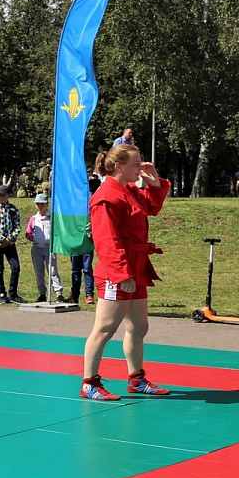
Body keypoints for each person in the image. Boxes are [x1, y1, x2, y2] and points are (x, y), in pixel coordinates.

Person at [79, 143, 171, 400]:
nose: (140, 167)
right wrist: (122, 274)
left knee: (139, 326)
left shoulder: (128, 190)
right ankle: (89, 383)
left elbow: (151, 208)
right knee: (105, 328)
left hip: (136, 266)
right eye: (135, 164)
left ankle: (136, 378)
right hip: (116, 271)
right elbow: (106, 240)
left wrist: (153, 183)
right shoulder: (106, 196)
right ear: (119, 167)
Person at [0, 184, 23, 304]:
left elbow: (17, 226)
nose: (0, 197)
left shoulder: (13, 210)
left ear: (8, 195)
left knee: (15, 267)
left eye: (3, 195)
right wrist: (1, 239)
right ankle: (2, 293)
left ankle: (13, 293)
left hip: (10, 243)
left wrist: (9, 239)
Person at [25, 192, 62, 303]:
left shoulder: (51, 218)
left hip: (49, 248)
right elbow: (28, 233)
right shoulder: (34, 219)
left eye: (42, 204)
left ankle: (58, 293)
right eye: (38, 204)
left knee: (53, 271)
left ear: (46, 204)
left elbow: (57, 231)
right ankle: (42, 293)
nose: (40, 206)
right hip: (37, 248)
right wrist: (33, 237)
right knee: (39, 272)